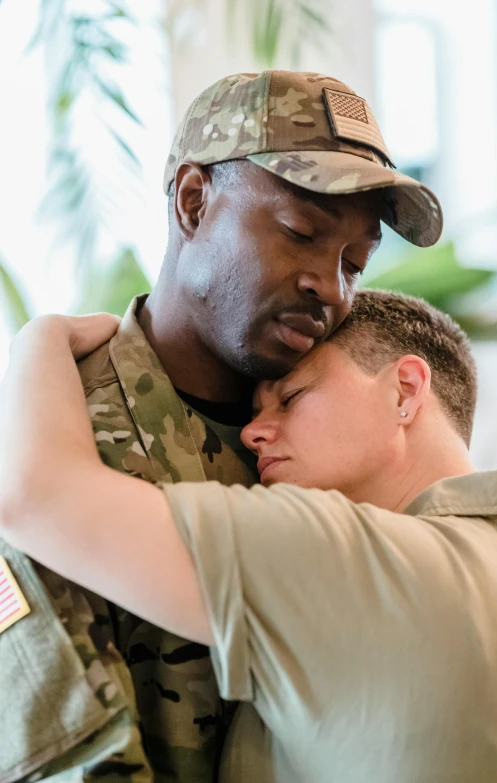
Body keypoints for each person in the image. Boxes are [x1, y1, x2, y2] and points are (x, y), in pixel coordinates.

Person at [0, 69, 443, 783]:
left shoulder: (343, 439)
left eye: (354, 263)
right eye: (302, 233)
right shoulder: (57, 443)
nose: (330, 288)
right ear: (193, 200)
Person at [3, 289, 497, 783]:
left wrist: (41, 338)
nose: (252, 434)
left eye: (291, 397)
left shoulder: (347, 560)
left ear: (405, 389)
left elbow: (33, 495)